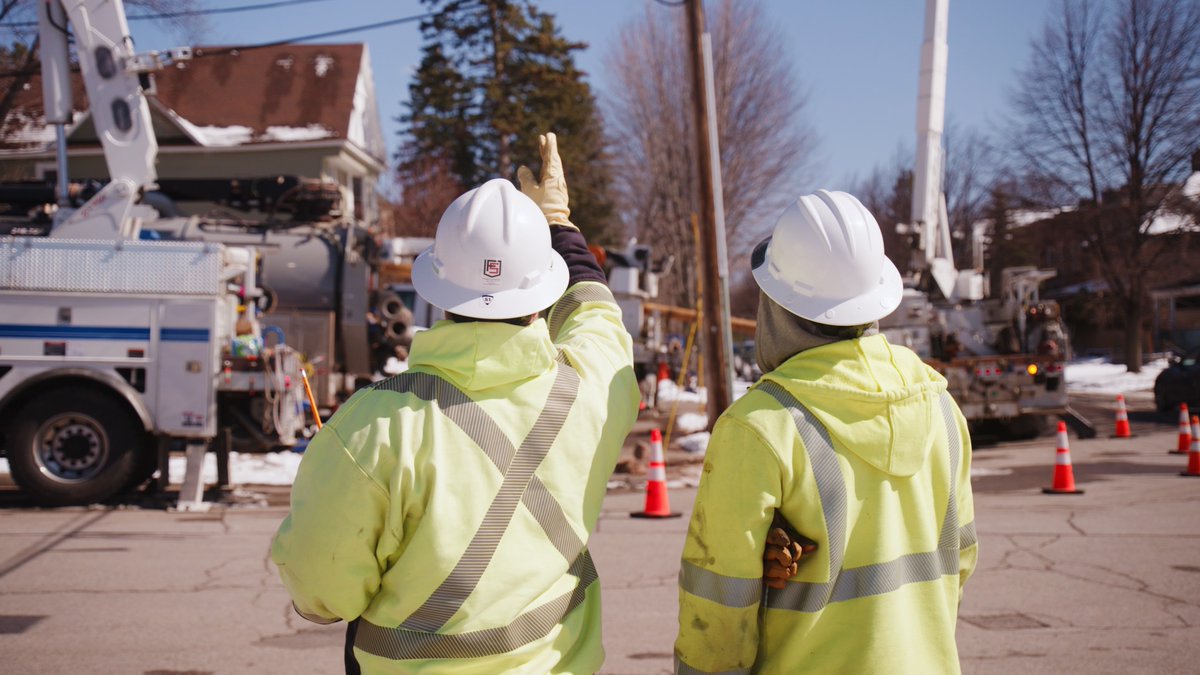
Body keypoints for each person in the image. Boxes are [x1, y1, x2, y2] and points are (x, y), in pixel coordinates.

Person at [271, 132, 639, 675]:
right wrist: (559, 225)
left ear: (437, 290)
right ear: (541, 295)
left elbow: (322, 591)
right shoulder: (592, 388)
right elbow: (596, 311)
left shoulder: (372, 427)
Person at [675, 189, 978, 674]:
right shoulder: (939, 405)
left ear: (777, 303)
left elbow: (718, 615)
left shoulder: (757, 427)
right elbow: (958, 563)